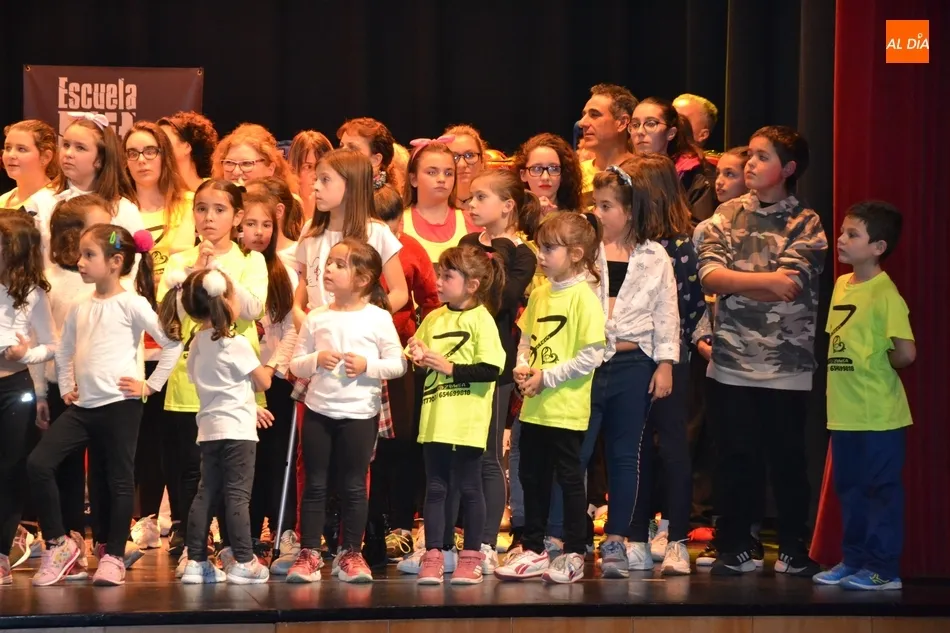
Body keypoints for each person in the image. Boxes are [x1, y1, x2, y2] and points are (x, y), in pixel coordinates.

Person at [697, 125, 827, 577]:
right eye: (749, 155)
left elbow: (791, 284)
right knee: (735, 458)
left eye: (762, 157)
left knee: (788, 459)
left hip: (786, 364)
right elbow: (710, 275)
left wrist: (740, 282)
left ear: (788, 169)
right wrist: (765, 281)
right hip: (730, 362)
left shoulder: (806, 222)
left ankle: (792, 545)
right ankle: (737, 544)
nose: (750, 163)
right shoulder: (725, 214)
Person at [27, 224, 182, 586]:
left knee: (119, 480)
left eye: (89, 255)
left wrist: (149, 385)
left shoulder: (132, 303)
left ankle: (113, 553)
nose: (80, 262)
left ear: (115, 262)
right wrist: (67, 385)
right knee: (39, 463)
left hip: (120, 406)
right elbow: (64, 349)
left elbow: (171, 343)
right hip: (84, 408)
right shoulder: (81, 307)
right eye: (80, 255)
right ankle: (59, 544)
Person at [157, 180, 268, 565]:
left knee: (234, 473)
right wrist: (193, 273)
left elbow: (253, 308)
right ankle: (195, 547)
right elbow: (168, 316)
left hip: (236, 383)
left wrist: (218, 273)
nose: (209, 217)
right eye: (201, 208)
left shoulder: (251, 261)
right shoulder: (179, 262)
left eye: (220, 210)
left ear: (237, 217)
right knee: (194, 472)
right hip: (190, 379)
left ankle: (233, 547)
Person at [494, 212, 606, 584]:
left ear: (575, 253)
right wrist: (523, 367)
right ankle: (534, 547)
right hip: (535, 408)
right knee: (532, 476)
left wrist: (548, 378)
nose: (540, 255)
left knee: (569, 480)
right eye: (540, 247)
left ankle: (574, 551)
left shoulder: (584, 297)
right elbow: (526, 341)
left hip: (566, 409)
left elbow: (592, 355)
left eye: (549, 248)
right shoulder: (541, 293)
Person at [287, 238, 406, 584]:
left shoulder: (378, 318)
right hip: (319, 411)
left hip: (359, 414)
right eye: (329, 262)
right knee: (315, 483)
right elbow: (296, 363)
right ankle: (309, 552)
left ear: (363, 278)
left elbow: (398, 363)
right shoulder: (316, 317)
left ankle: (351, 552)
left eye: (340, 265)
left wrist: (368, 365)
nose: (329, 269)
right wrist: (316, 359)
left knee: (354, 485)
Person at [812, 201, 914, 591]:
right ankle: (853, 560)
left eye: (852, 234)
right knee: (850, 491)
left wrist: (880, 361)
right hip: (844, 413)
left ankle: (883, 569)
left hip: (878, 414)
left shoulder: (886, 293)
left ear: (878, 247)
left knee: (880, 491)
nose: (841, 239)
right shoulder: (842, 285)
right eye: (842, 231)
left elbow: (906, 353)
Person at [615, 155, 702, 575]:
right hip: (628, 359)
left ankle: (677, 537)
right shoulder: (622, 244)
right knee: (634, 447)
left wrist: (667, 355)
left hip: (668, 358)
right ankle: (636, 533)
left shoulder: (678, 247)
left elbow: (688, 306)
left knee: (672, 446)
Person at [407, 245, 506, 585]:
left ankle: (472, 556)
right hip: (436, 418)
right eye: (439, 275)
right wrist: (417, 354)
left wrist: (449, 367)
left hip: (467, 421)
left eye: (447, 276)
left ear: (472, 285)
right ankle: (435, 553)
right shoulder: (434, 318)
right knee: (435, 488)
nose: (438, 282)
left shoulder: (482, 319)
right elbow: (418, 352)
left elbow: (491, 368)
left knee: (469, 487)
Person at [459, 169, 537, 573]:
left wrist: (501, 245)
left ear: (507, 206)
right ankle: (460, 538)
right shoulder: (468, 244)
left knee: (489, 455)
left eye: (481, 197)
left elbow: (500, 298)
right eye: (470, 198)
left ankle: (487, 541)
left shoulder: (522, 253)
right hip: (459, 359)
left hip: (495, 365)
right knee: (461, 454)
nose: (471, 205)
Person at [173, 267, 273, 585]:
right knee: (237, 496)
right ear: (227, 301)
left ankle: (196, 560)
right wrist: (271, 364)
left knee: (206, 493)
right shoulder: (235, 342)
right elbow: (263, 382)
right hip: (238, 431)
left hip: (209, 429)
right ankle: (244, 560)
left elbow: (201, 380)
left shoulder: (196, 343)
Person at [368, 184, 439, 561]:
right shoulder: (354, 248)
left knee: (402, 440)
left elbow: (431, 301)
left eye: (393, 226)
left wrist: (420, 342)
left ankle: (401, 524)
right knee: (368, 445)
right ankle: (369, 524)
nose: (389, 234)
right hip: (359, 356)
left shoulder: (410, 249)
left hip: (401, 355)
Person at [237, 182, 299, 561]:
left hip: (273, 380)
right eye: (250, 224)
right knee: (246, 459)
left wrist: (274, 366)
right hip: (239, 381)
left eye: (265, 225)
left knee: (277, 459)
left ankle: (281, 529)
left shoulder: (284, 271)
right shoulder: (233, 270)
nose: (258, 232)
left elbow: (292, 327)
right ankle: (243, 533)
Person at [0, 213, 56, 585]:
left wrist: (26, 355)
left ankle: (2, 553)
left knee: (10, 472)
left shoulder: (33, 294)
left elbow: (52, 343)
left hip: (13, 388)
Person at [293, 149, 408, 329]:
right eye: (316, 179)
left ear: (351, 185)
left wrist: (366, 319)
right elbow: (306, 280)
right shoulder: (311, 230)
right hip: (318, 330)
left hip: (358, 334)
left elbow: (400, 292)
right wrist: (297, 308)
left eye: (325, 179)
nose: (316, 186)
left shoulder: (376, 232)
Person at [54, 113, 144, 245]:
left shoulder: (122, 210)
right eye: (66, 145)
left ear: (100, 160)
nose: (68, 154)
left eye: (80, 148)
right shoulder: (44, 201)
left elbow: (130, 252)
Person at [631, 97, 714, 222]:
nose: (640, 131)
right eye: (635, 125)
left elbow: (699, 229)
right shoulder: (623, 173)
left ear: (671, 133)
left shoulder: (692, 177)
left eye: (651, 124)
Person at [401, 137, 475, 265]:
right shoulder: (398, 225)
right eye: (432, 172)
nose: (441, 179)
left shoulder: (472, 223)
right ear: (413, 179)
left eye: (448, 173)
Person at [1, 120, 61, 260]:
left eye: (21, 149)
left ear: (45, 157)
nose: (11, 155)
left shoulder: (55, 203)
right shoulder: (3, 199)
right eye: (8, 148)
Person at [577, 84, 637, 204]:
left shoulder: (642, 173)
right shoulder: (577, 174)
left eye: (594, 115)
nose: (582, 123)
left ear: (622, 123)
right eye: (584, 115)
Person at [513, 133, 583, 215]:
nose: (545, 177)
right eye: (536, 169)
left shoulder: (578, 218)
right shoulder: (512, 216)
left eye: (554, 169)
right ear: (523, 174)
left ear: (563, 174)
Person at [158, 111, 219, 192]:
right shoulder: (159, 193)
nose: (157, 145)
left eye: (164, 139)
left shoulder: (216, 190)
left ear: (187, 147)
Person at [337, 118, 397, 191]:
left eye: (352, 148)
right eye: (341, 146)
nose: (342, 153)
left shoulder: (387, 197)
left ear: (375, 160)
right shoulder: (337, 190)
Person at [443, 124, 488, 215]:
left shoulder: (498, 205)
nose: (462, 164)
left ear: (482, 162)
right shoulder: (431, 206)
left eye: (470, 155)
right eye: (454, 157)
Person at [288, 130, 333, 221]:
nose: (316, 175)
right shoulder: (285, 210)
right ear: (294, 169)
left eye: (322, 167)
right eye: (308, 167)